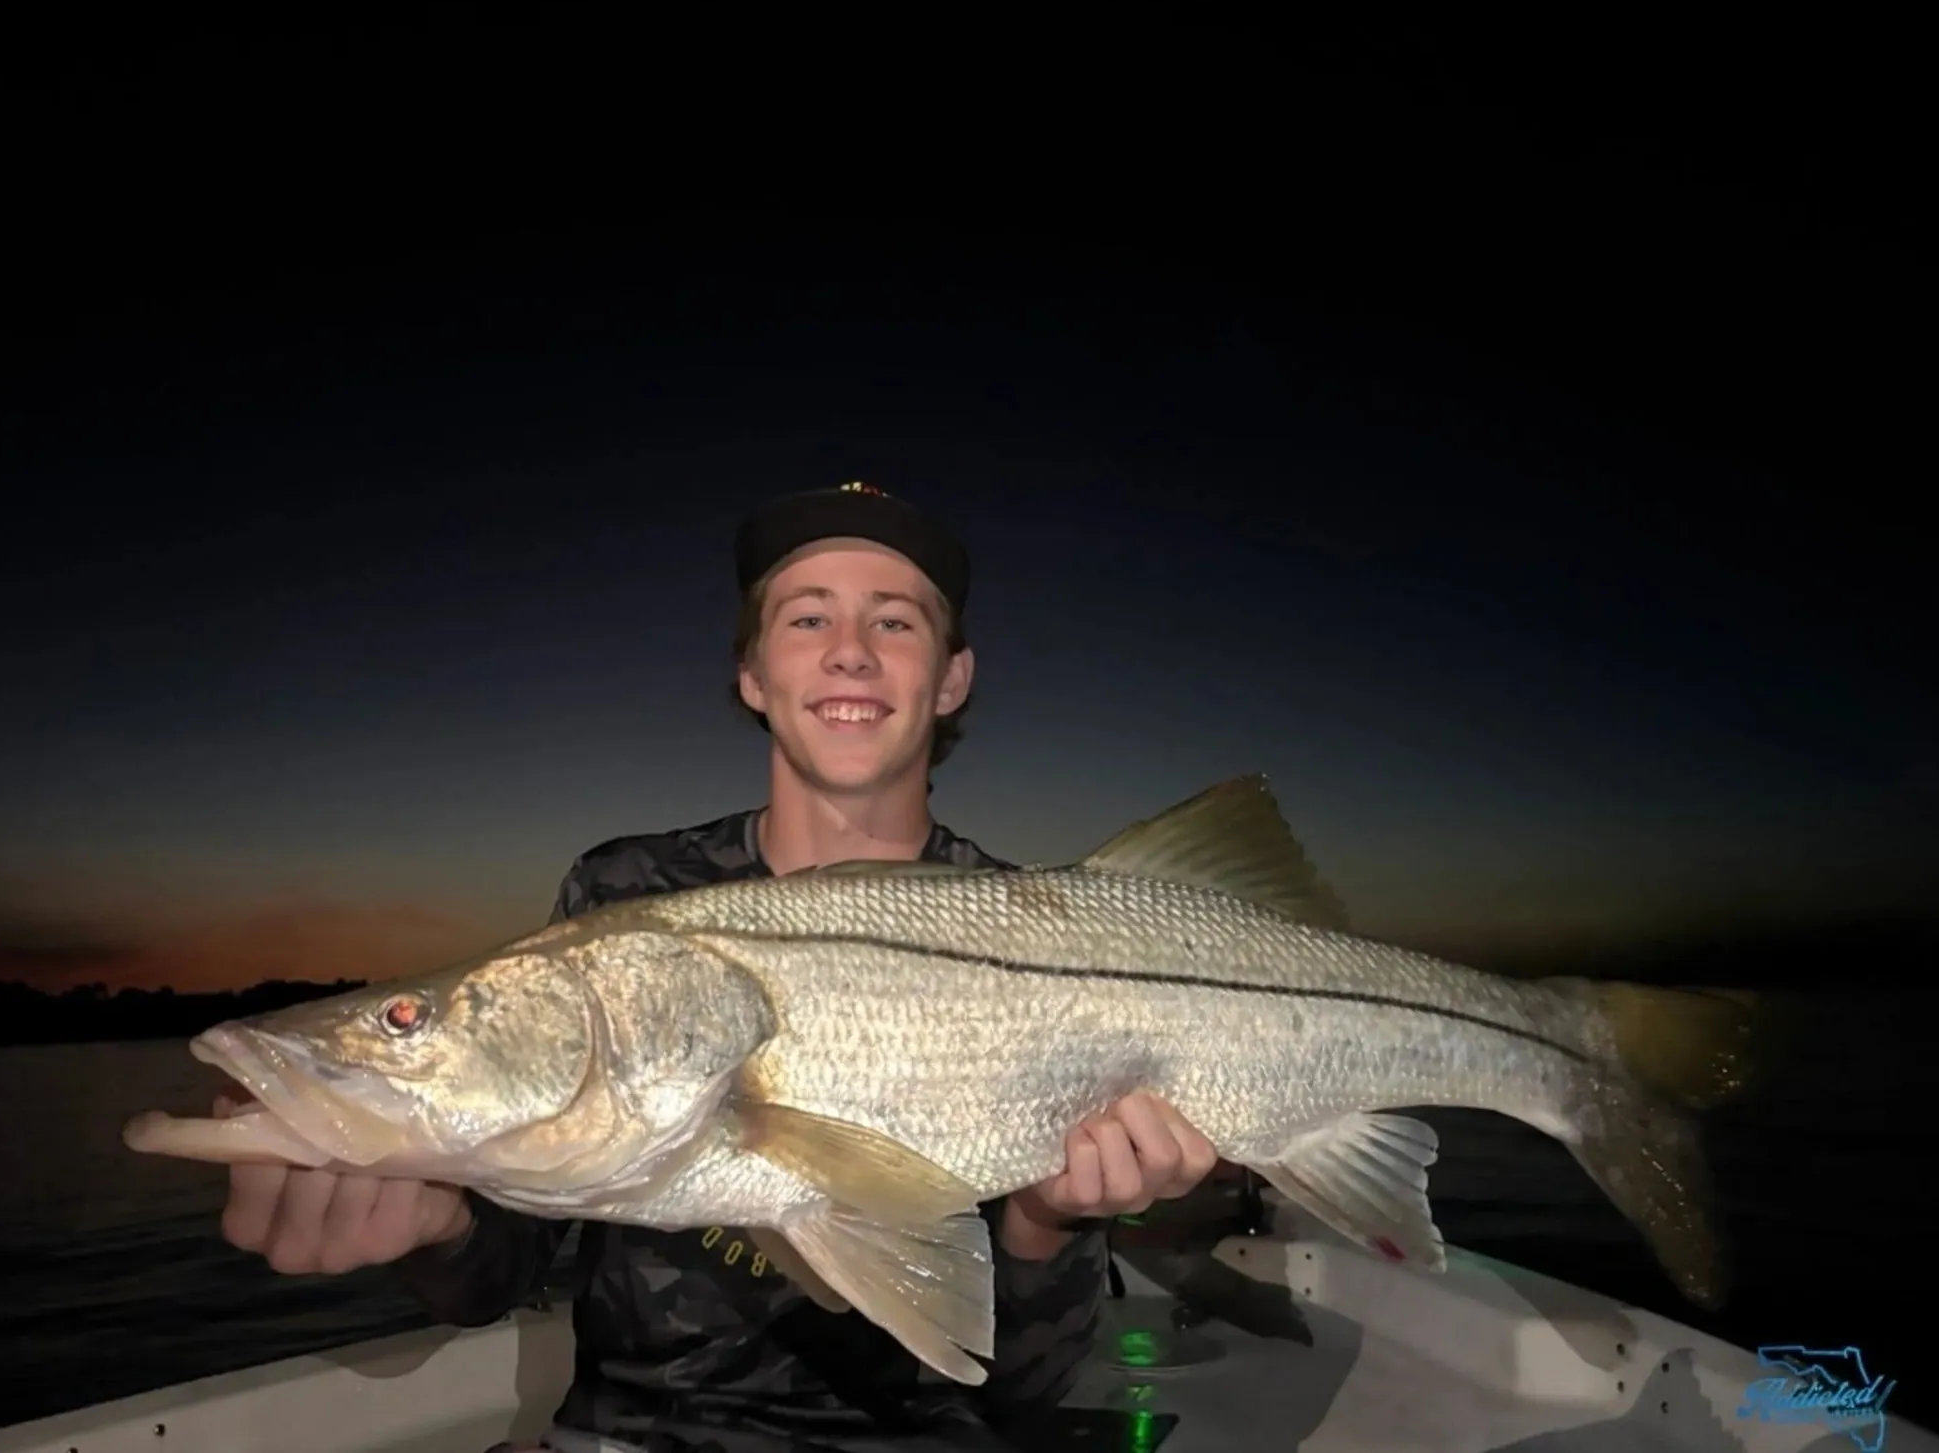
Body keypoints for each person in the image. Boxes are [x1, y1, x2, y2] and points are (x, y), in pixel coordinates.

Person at [216, 483, 1221, 1453]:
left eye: (894, 622)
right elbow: (489, 1283)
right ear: (752, 674)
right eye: (806, 619)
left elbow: (1020, 1390)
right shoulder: (621, 893)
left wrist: (1048, 1218)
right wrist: (435, 1222)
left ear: (951, 678)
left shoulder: (1069, 930)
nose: (850, 651)